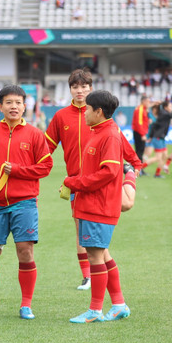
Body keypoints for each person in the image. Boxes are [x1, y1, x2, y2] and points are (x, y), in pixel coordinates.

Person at [46, 69, 143, 290]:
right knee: (81, 229)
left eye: (84, 86)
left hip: (103, 180)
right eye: (75, 87)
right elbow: (46, 148)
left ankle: (105, 286)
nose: (80, 90)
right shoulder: (61, 117)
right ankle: (89, 276)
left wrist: (135, 163)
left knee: (124, 206)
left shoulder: (100, 116)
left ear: (91, 88)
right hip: (78, 184)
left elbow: (120, 142)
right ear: (70, 89)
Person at [0, 84, 53, 320]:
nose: (14, 107)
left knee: (25, 251)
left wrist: (17, 170)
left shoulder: (36, 135)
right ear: (0, 106)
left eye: (18, 103)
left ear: (25, 106)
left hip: (24, 201)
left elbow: (45, 166)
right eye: (9, 102)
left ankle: (26, 304)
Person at [63, 90, 130, 323]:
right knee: (102, 254)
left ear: (98, 111)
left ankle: (95, 310)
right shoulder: (100, 131)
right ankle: (119, 304)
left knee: (94, 256)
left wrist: (75, 183)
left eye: (88, 109)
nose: (84, 114)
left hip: (98, 205)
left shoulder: (109, 134)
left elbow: (110, 172)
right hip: (92, 204)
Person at [149, 101, 172, 178]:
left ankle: (157, 173)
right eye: (170, 106)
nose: (171, 108)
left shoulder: (164, 114)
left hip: (161, 137)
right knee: (157, 157)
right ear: (166, 107)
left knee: (165, 156)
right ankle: (139, 168)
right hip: (158, 137)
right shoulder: (164, 114)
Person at [131, 95, 151, 167]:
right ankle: (138, 168)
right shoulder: (140, 109)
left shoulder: (143, 109)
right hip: (139, 133)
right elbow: (139, 123)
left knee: (141, 151)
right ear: (143, 101)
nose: (149, 103)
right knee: (140, 151)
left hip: (140, 132)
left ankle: (139, 168)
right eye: (148, 101)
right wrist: (142, 134)